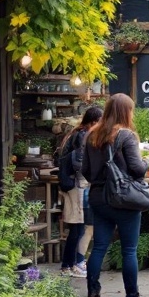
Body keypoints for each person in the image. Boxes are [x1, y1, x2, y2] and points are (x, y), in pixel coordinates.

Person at [81, 93, 149, 297]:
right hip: (123, 200)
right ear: (125, 111)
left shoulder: (92, 135)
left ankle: (93, 296)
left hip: (98, 198)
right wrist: (148, 160)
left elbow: (85, 170)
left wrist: (101, 182)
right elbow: (137, 170)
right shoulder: (126, 136)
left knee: (99, 246)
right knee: (129, 249)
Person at [56, 106, 103, 276]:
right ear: (93, 122)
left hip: (75, 185)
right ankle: (73, 264)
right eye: (99, 122)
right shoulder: (82, 135)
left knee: (77, 228)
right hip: (77, 186)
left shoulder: (76, 133)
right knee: (78, 227)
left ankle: (69, 265)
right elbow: (80, 164)